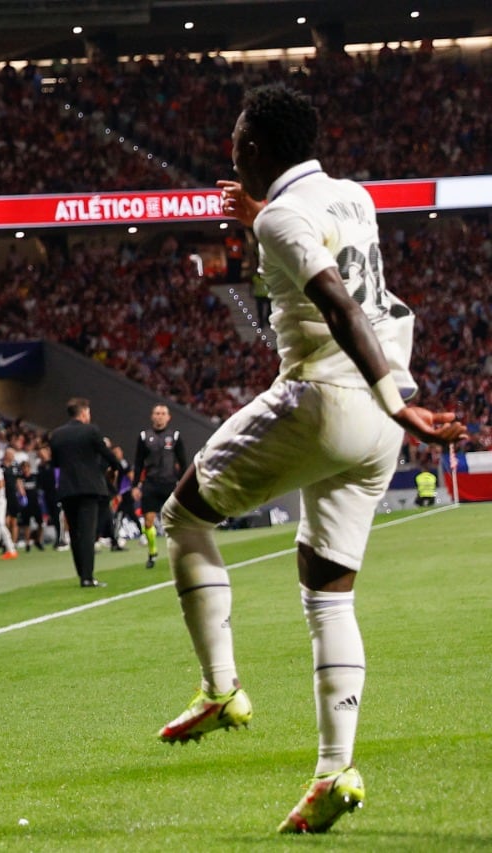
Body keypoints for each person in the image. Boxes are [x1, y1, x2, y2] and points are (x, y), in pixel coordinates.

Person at [160, 84, 466, 835]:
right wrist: (393, 405)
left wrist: (398, 399)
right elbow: (330, 259)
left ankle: (221, 687)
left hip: (326, 399)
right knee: (329, 594)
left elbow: (337, 301)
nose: (231, 150)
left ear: (259, 146)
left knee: (181, 517)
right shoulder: (351, 197)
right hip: (376, 429)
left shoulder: (284, 219)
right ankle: (334, 769)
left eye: (237, 139)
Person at [49, 398, 126, 587]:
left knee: (74, 532)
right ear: (83, 413)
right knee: (88, 532)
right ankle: (88, 577)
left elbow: (55, 462)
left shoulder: (57, 434)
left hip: (67, 488)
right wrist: (115, 467)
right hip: (89, 488)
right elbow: (107, 454)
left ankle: (81, 574)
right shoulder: (91, 430)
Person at [133, 404, 188, 569]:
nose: (160, 416)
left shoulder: (175, 436)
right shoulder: (144, 436)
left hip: (170, 484)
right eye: (157, 413)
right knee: (148, 522)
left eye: (163, 413)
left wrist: (183, 483)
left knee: (177, 522)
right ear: (152, 416)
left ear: (168, 417)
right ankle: (152, 552)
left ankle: (181, 554)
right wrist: (135, 485)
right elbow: (138, 463)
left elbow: (183, 463)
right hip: (150, 483)